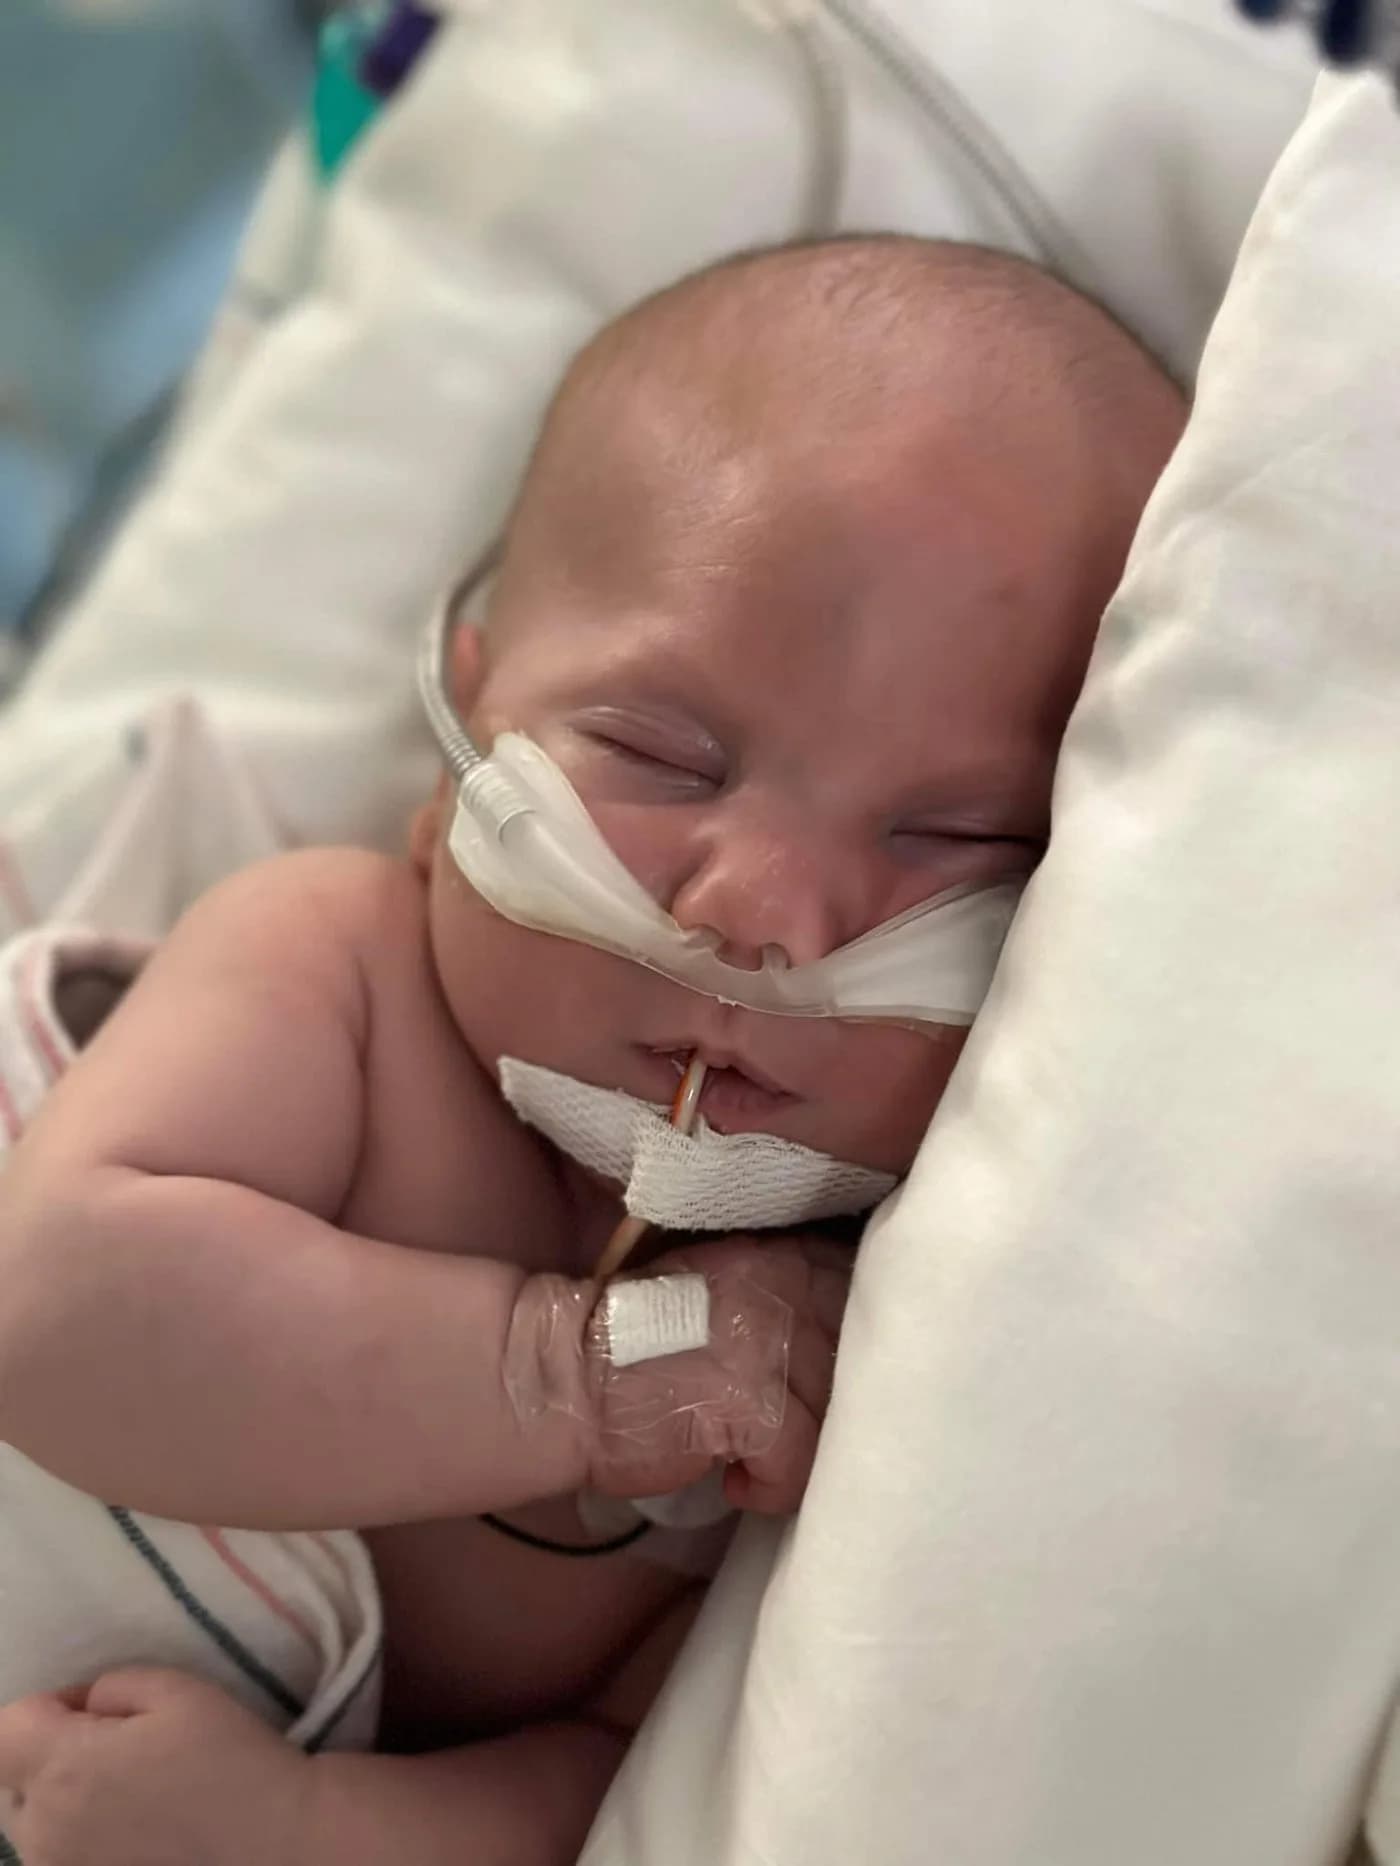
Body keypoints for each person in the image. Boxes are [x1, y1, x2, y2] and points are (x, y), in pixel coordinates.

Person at [0, 234, 1184, 1866]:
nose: (760, 915)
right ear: (465, 744)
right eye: (659, 754)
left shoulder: (823, 1392)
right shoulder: (332, 970)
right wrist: (577, 1378)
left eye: (952, 836)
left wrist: (299, 1825)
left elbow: (620, 1796)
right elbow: (61, 1312)